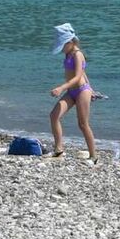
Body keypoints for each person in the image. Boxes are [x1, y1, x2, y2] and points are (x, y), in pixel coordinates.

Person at [48, 23, 100, 162]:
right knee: (54, 115)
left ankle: (93, 156)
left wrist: (61, 88)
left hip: (82, 91)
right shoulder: (68, 54)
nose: (62, 49)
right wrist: (92, 88)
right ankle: (59, 150)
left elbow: (77, 77)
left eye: (63, 46)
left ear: (70, 42)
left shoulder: (78, 54)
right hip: (72, 91)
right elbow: (83, 73)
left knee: (83, 124)